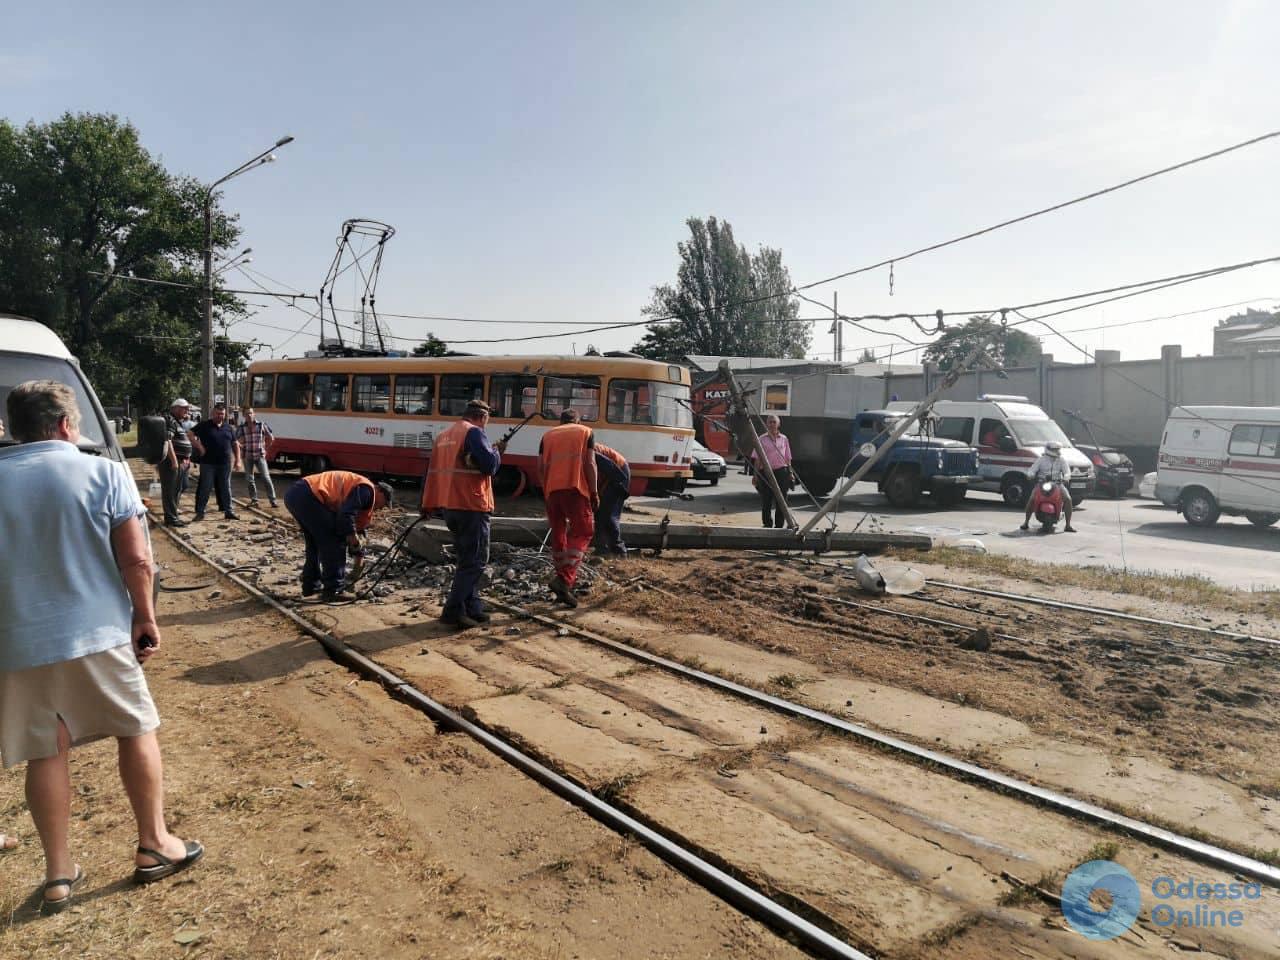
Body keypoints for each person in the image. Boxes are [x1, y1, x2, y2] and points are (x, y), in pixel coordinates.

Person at [0, 380, 203, 915]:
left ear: (14, 428)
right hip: (98, 633)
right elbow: (137, 559)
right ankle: (154, 843)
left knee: (47, 749)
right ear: (66, 425)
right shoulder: (103, 471)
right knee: (135, 728)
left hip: (19, 639)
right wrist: (145, 615)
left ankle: (58, 875)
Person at [420, 400, 505, 628]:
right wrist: (497, 453)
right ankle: (453, 610)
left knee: (466, 559)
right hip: (471, 505)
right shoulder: (474, 433)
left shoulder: (444, 436)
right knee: (475, 561)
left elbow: (431, 474)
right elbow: (489, 466)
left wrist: (428, 505)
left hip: (450, 506)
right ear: (482, 417)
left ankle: (472, 607)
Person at [284, 470, 393, 600]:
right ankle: (334, 589)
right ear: (380, 491)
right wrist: (351, 538)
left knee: (315, 544)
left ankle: (311, 587)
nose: (381, 508)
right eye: (384, 503)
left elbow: (357, 530)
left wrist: (359, 557)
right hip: (309, 495)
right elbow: (346, 517)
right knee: (334, 542)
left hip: (296, 494)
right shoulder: (367, 491)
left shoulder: (359, 493)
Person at [538, 409, 598, 607]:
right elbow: (590, 464)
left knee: (559, 534)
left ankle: (562, 584)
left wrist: (546, 492)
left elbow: (541, 467)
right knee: (583, 531)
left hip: (552, 492)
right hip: (575, 489)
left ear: (560, 421)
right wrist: (594, 492)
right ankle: (564, 580)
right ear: (577, 420)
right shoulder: (585, 432)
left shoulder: (547, 436)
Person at [188, 402, 241, 521]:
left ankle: (229, 511)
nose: (220, 416)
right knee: (205, 487)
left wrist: (238, 460)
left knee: (226, 487)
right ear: (213, 413)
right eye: (218, 414)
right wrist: (199, 447)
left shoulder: (229, 428)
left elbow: (235, 444)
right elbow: (190, 434)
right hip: (208, 463)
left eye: (222, 414)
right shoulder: (204, 425)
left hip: (225, 463)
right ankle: (200, 512)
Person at [1020, 441, 1076, 532]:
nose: (1057, 451)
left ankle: (1068, 525)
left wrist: (1066, 477)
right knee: (1032, 499)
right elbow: (1032, 469)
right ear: (1048, 449)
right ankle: (1026, 522)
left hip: (1057, 483)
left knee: (1068, 499)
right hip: (1042, 483)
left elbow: (1067, 471)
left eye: (1058, 449)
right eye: (1054, 449)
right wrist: (1030, 474)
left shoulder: (1061, 459)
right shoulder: (1041, 459)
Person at [750, 415, 794, 528]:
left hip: (781, 472)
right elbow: (757, 458)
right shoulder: (761, 439)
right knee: (767, 499)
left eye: (774, 422)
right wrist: (755, 475)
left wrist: (790, 473)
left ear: (778, 424)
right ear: (767, 424)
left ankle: (779, 525)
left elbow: (788, 457)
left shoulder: (784, 439)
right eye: (770, 422)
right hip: (766, 472)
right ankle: (767, 524)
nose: (772, 424)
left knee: (782, 500)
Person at [158, 399, 194, 527]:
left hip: (181, 461)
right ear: (176, 408)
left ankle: (173, 513)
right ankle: (171, 518)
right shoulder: (170, 421)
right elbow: (167, 441)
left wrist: (186, 458)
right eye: (184, 408)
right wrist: (174, 461)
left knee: (180, 487)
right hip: (171, 462)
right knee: (170, 490)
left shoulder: (178, 422)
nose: (187, 411)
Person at [234, 407, 277, 508]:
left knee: (266, 478)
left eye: (251, 413)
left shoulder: (261, 425)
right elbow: (235, 441)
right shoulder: (241, 428)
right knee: (249, 479)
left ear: (254, 414)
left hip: (260, 456)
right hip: (247, 456)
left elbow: (271, 438)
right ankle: (254, 500)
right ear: (244, 415)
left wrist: (265, 448)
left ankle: (272, 500)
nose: (249, 415)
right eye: (247, 414)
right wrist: (241, 446)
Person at [593, 442, 630, 556]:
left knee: (608, 514)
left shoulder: (585, 450)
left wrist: (619, 487)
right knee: (599, 513)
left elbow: (611, 468)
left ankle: (618, 550)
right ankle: (602, 548)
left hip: (617, 473)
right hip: (607, 476)